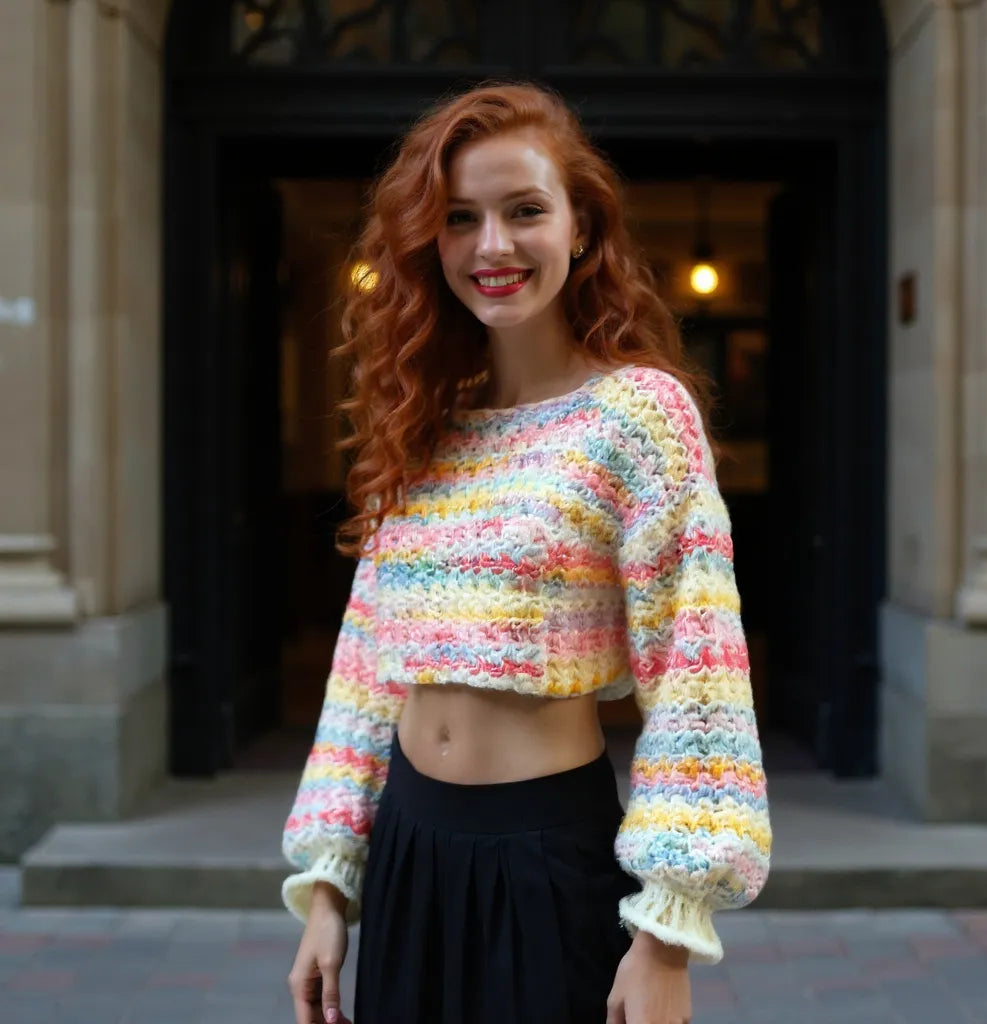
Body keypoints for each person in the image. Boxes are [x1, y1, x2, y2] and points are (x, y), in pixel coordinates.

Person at [281, 81, 771, 1024]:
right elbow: (367, 668)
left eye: (525, 211)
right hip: (410, 850)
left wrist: (665, 936)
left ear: (581, 227)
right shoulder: (424, 422)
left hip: (543, 857)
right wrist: (331, 888)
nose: (492, 245)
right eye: (460, 218)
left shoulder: (639, 416)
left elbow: (695, 671)